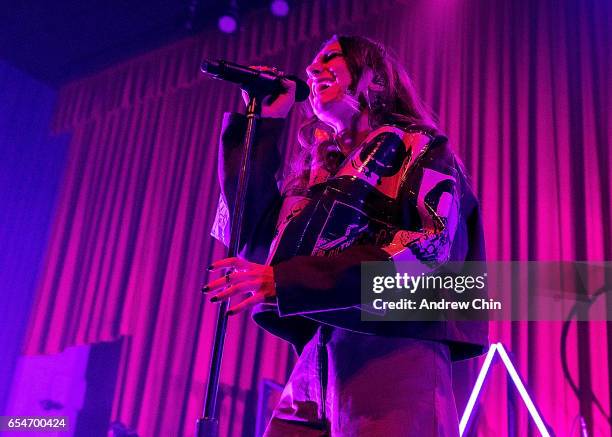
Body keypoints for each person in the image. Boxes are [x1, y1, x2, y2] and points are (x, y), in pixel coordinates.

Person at [204, 35, 488, 436]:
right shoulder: (318, 179)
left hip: (394, 350)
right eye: (311, 63)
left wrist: (290, 281)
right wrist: (262, 125)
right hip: (316, 360)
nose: (312, 69)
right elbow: (250, 234)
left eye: (330, 58)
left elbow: (427, 253)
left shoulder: (421, 150)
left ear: (374, 76)